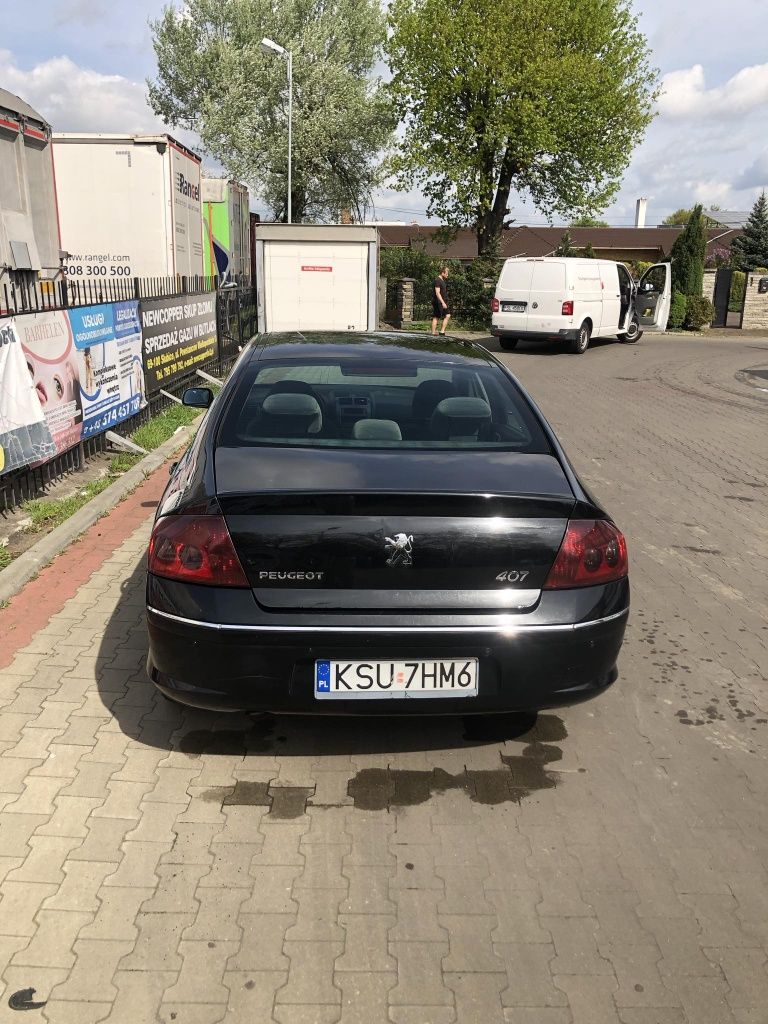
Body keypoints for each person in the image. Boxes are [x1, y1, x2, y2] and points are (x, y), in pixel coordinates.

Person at [431, 266, 451, 336]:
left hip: (443, 302)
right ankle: (433, 333)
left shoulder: (442, 280)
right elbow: (437, 293)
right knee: (436, 317)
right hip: (438, 302)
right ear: (443, 273)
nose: (447, 275)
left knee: (447, 315)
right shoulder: (437, 280)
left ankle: (442, 332)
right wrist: (442, 302)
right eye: (446, 273)